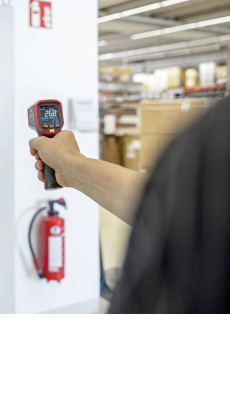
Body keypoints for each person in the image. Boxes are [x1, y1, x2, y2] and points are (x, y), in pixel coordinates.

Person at [29, 95, 230, 313]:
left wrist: (71, 165)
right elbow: (167, 208)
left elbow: (174, 211)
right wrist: (70, 166)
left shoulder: (214, 135)